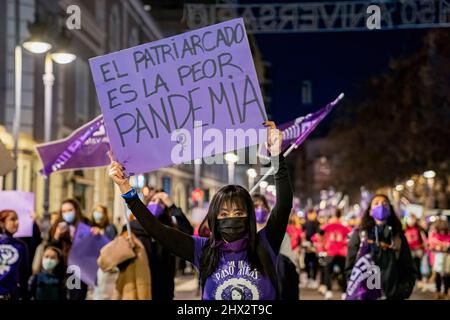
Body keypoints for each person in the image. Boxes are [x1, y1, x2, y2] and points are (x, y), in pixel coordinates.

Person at [108, 122, 293, 300]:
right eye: (224, 214)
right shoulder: (203, 250)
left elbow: (284, 204)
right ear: (214, 218)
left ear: (249, 217)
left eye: (238, 213)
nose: (231, 218)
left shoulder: (265, 243)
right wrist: (127, 190)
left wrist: (276, 156)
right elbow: (158, 230)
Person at [345, 194, 417, 300]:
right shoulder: (359, 236)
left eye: (385, 204)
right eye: (376, 203)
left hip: (392, 295)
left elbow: (408, 267)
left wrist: (402, 291)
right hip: (365, 296)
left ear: (390, 210)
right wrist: (359, 289)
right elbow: (350, 267)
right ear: (370, 211)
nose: (381, 206)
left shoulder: (397, 237)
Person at [130, 190, 193, 300]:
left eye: (161, 202)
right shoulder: (134, 226)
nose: (157, 204)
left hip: (164, 284)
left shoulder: (169, 228)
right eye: (154, 200)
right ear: (147, 203)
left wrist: (171, 205)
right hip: (141, 281)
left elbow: (187, 231)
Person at [252, 194, 299, 300]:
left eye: (263, 206)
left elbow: (288, 262)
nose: (260, 209)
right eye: (255, 206)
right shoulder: (245, 235)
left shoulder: (280, 234)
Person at [48, 199, 89, 300]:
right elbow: (51, 249)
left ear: (76, 210)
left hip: (77, 270)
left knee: (76, 296)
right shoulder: (56, 226)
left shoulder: (85, 224)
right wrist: (57, 235)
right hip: (61, 269)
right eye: (64, 211)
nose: (67, 214)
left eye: (70, 210)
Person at [321, 208, 351, 300]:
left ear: (334, 215)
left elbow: (321, 232)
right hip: (342, 253)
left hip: (330, 252)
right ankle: (344, 293)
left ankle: (329, 291)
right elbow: (349, 235)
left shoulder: (329, 224)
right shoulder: (344, 225)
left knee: (327, 272)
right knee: (344, 272)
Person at [0, 210, 29, 300]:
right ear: (2, 223)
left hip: (12, 294)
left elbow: (24, 273)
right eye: (12, 219)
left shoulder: (21, 245)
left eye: (17, 219)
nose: (17, 222)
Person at [428, 217, 449, 299]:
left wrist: (446, 247)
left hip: (447, 257)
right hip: (438, 257)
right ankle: (438, 291)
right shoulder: (434, 235)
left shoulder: (448, 235)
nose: (442, 232)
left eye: (443, 230)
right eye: (440, 230)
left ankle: (446, 292)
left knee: (447, 275)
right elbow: (430, 246)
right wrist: (436, 247)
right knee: (438, 275)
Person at [404, 213, 427, 285]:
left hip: (418, 250)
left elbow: (424, 240)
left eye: (413, 218)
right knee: (410, 265)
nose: (411, 220)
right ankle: (412, 279)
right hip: (409, 250)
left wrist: (422, 246)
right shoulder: (405, 229)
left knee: (417, 264)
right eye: (410, 218)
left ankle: (419, 279)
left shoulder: (419, 229)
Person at [301, 209, 321, 288]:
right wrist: (304, 242)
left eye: (313, 214)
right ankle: (309, 278)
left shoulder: (318, 223)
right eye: (310, 214)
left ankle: (314, 279)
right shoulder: (305, 223)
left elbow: (320, 234)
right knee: (306, 262)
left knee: (315, 262)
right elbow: (302, 233)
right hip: (307, 245)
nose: (312, 216)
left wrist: (317, 243)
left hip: (315, 246)